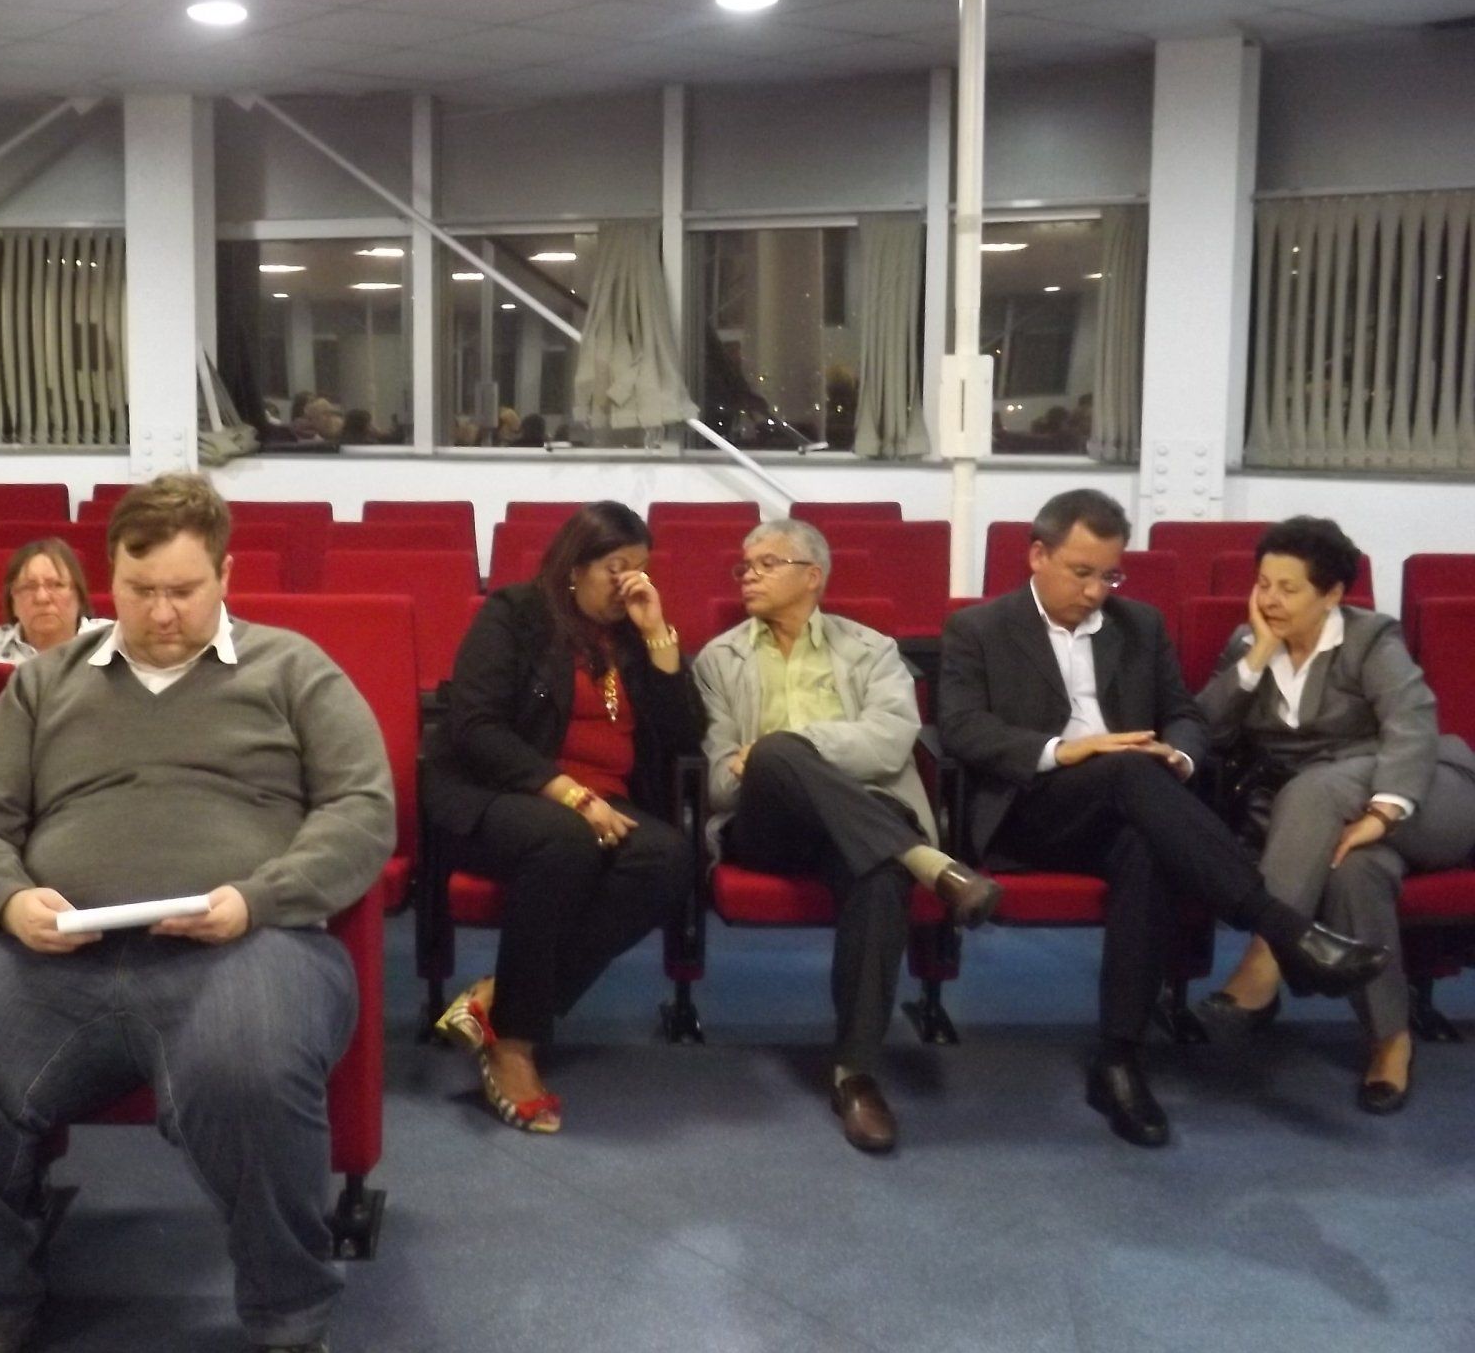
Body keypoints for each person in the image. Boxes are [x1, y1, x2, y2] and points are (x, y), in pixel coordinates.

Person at [0, 473, 393, 1353]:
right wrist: (9, 898)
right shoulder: (46, 683)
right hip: (54, 957)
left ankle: (288, 1314)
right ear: (109, 579)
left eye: (183, 590)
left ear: (225, 576)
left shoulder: (293, 669)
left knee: (250, 1064)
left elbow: (362, 810)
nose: (161, 613)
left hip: (245, 948)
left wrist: (261, 897)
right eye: (140, 590)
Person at [938, 489, 1389, 1148]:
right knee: (1125, 771)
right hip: (1031, 809)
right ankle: (1284, 929)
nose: (1096, 591)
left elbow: (1185, 715)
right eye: (1081, 573)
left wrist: (1176, 754)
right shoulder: (979, 628)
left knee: (1146, 845)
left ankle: (1119, 1060)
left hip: (1132, 802)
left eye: (1110, 575)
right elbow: (960, 730)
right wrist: (1066, 750)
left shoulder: (1139, 625)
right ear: (1037, 556)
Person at [694, 520, 1002, 1153]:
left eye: (767, 563)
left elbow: (890, 743)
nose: (748, 575)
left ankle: (855, 1074)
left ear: (813, 576)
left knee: (877, 869)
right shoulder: (717, 661)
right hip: (768, 827)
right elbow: (722, 781)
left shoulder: (872, 650)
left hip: (861, 824)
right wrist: (781, 760)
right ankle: (931, 863)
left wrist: (794, 749)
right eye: (744, 565)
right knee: (780, 757)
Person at [423, 501, 699, 1134]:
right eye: (615, 567)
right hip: (500, 792)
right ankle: (516, 1046)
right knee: (565, 840)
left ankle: (498, 1003)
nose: (629, 583)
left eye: (640, 569)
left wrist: (659, 637)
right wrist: (570, 793)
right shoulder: (515, 614)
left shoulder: (635, 636)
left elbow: (685, 737)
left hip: (605, 801)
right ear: (575, 567)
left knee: (669, 858)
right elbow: (475, 727)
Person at [1196, 517, 1475, 1113]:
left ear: (1332, 594)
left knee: (1316, 788)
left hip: (1425, 798)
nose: (1270, 599)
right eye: (1263, 584)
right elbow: (1204, 732)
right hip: (1333, 828)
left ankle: (1266, 956)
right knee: (1356, 874)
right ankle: (1390, 1040)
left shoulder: (1371, 639)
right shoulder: (1247, 643)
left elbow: (1411, 726)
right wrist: (1256, 657)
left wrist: (1382, 812)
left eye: (1288, 588)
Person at [0, 538, 110, 665]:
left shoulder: (113, 644)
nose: (42, 598)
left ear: (79, 596)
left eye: (56, 585)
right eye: (28, 587)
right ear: (13, 601)